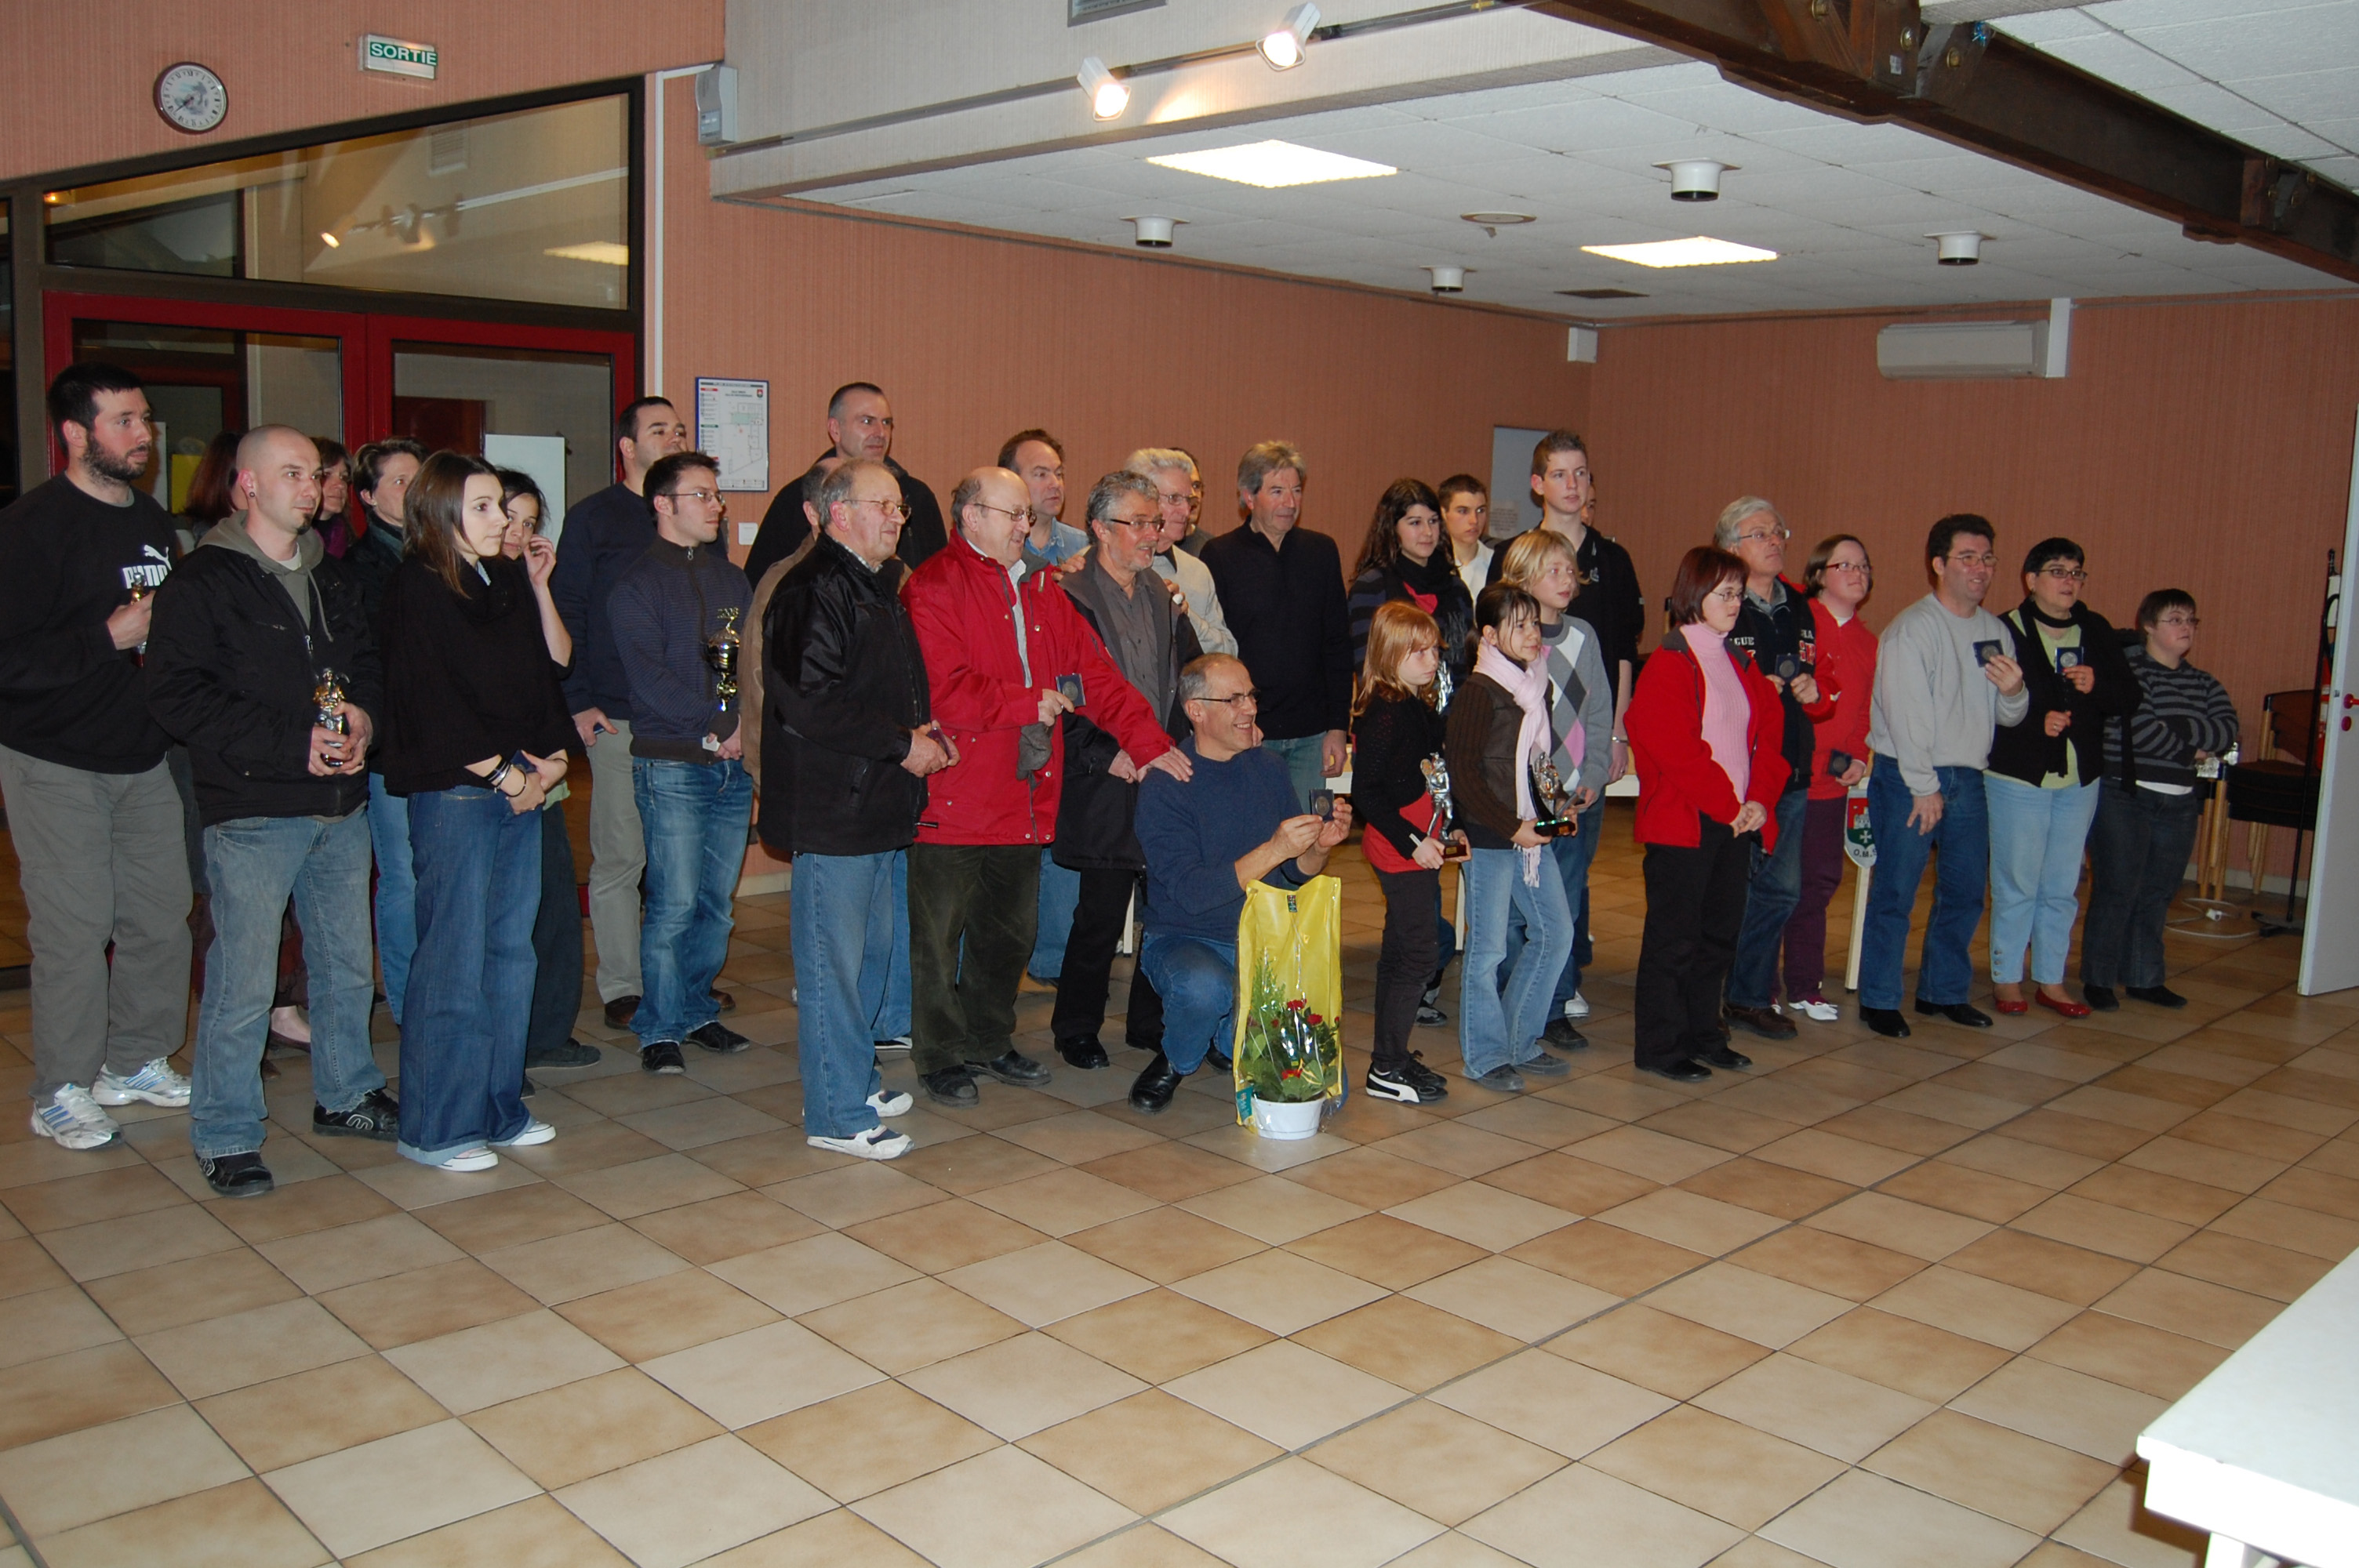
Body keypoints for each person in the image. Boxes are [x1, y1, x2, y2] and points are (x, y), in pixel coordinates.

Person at [147, 426, 397, 1196]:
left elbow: (367, 668)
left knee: (346, 968)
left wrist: (363, 720)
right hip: (254, 809)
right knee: (244, 982)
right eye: (291, 473)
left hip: (340, 805)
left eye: (315, 473)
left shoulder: (331, 577)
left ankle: (347, 1094)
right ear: (247, 484)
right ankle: (225, 1133)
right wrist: (294, 744)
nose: (310, 487)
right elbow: (176, 696)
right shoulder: (204, 580)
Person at [902, 465, 1187, 1109]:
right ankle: (940, 1055)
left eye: (1027, 515)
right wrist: (1027, 702)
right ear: (971, 517)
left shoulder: (1039, 587)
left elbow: (1097, 676)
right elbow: (944, 689)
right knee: (939, 939)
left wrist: (1151, 746)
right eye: (1013, 514)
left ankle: (988, 1038)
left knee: (1008, 933)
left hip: (1022, 792)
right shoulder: (934, 585)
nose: (1025, 525)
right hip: (954, 788)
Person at [0, 363, 191, 1152]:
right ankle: (61, 1089)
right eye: (124, 422)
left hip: (142, 756)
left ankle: (134, 1060)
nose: (143, 435)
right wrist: (107, 638)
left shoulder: (151, 519)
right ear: (74, 433)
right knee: (76, 929)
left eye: (144, 418)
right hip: (55, 759)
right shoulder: (30, 527)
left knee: (160, 915)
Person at [379, 452, 572, 1171]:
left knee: (509, 955)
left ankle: (498, 1107)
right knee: (453, 960)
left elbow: (538, 680)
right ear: (440, 513)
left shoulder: (505, 579)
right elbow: (428, 698)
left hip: (520, 780)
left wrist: (553, 759)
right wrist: (502, 773)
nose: (503, 521)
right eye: (485, 507)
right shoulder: (418, 586)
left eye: (503, 507)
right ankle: (437, 1127)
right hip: (459, 790)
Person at [764, 459, 942, 1158]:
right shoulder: (811, 589)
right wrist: (902, 744)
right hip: (832, 810)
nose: (898, 519)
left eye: (901, 507)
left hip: (875, 804)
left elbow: (878, 686)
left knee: (870, 956)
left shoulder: (875, 583)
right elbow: (809, 704)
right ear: (839, 513)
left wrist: (920, 731)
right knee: (831, 968)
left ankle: (855, 1080)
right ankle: (836, 1115)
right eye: (884, 506)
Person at [1131, 654, 1352, 1112]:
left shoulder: (1268, 768)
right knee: (1205, 989)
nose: (1249, 708)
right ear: (1196, 711)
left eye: (1251, 696)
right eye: (1233, 699)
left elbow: (1294, 874)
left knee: (1325, 1091)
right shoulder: (1166, 784)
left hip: (1264, 939)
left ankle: (1225, 1035)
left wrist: (1318, 847)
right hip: (1187, 937)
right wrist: (1274, 848)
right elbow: (1193, 894)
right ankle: (1176, 1059)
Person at [606, 452, 756, 1074]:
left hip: (732, 765)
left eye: (717, 495)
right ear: (663, 505)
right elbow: (650, 681)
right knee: (672, 903)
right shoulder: (635, 585)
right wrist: (719, 726)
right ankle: (660, 1026)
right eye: (701, 495)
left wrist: (744, 724)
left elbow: (748, 666)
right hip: (672, 763)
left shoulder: (732, 581)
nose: (715, 506)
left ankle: (696, 1011)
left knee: (715, 903)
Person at [549, 396, 692, 1033]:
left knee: (680, 862)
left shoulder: (690, 515)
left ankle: (679, 978)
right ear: (628, 448)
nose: (674, 438)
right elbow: (569, 611)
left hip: (685, 720)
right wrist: (578, 700)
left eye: (680, 430)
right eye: (660, 430)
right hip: (618, 716)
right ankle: (624, 985)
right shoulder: (594, 519)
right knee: (621, 857)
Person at [1049, 470, 1201, 1070]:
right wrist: (1105, 754)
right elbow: (1061, 695)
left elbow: (1188, 677)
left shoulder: (1164, 595)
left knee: (1164, 906)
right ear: (1099, 528)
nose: (1151, 535)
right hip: (1104, 774)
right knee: (1101, 912)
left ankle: (1148, 1021)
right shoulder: (1067, 596)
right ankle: (1076, 1027)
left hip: (1161, 770)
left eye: (1154, 522)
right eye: (1136, 523)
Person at [1858, 514, 2029, 1040]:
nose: (1981, 569)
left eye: (1988, 558)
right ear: (1938, 564)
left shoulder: (1995, 631)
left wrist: (2014, 692)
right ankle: (1879, 999)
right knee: (1896, 891)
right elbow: (1907, 717)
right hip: (1910, 776)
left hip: (1969, 777)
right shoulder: (1912, 629)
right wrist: (1923, 786)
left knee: (1965, 891)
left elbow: (2008, 716)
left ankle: (1943, 991)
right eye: (1968, 558)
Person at [1626, 547, 1790, 1082]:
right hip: (1687, 823)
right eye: (1724, 594)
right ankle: (1661, 1046)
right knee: (1674, 941)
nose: (1735, 603)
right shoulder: (1670, 662)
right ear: (1694, 595)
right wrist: (1730, 806)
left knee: (1718, 937)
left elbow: (1770, 736)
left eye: (1739, 594)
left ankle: (1704, 1034)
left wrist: (1758, 801)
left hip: (1734, 820)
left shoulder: (1740, 661)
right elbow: (1677, 750)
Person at [1986, 538, 2137, 1018]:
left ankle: (2051, 979)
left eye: (2076, 573)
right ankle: (2007, 978)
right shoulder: (2004, 629)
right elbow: (1982, 706)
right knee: (2018, 882)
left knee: (2061, 884)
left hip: (2079, 777)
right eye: (2058, 571)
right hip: (2019, 776)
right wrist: (2037, 722)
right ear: (2031, 580)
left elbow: (2128, 698)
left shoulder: (2095, 629)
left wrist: (2098, 685)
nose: (2069, 581)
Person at [1445, 583, 1576, 1094]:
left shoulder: (1535, 686)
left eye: (1534, 623)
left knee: (1556, 932)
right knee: (1488, 950)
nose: (1532, 634)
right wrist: (1511, 826)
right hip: (1491, 836)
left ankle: (1521, 1040)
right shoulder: (1479, 692)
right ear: (1491, 635)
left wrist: (1557, 803)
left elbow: (1536, 763)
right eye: (1518, 625)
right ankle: (1485, 1056)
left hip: (1527, 834)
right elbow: (1465, 776)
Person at [2082, 590, 2237, 1011]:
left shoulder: (2204, 682)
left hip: (2181, 801)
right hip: (2125, 795)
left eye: (2191, 620)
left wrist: (2182, 730)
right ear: (2148, 626)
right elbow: (2139, 729)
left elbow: (2225, 730)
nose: (2186, 628)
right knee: (2117, 890)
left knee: (2157, 893)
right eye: (2175, 619)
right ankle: (2098, 979)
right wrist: (2191, 747)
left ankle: (2143, 977)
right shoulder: (2127, 673)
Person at [1716, 498, 1835, 1041]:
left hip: (1789, 766)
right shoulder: (1719, 602)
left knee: (1781, 891)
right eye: (1759, 533)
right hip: (1735, 771)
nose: (1774, 541)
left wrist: (1814, 691)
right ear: (1730, 546)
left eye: (1778, 531)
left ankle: (1749, 996)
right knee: (1728, 890)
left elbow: (1823, 681)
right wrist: (1748, 691)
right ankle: (1710, 993)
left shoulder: (1802, 606)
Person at [496, 470, 599, 1077]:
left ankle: (548, 1032)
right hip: (491, 774)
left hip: (543, 770)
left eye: (530, 522)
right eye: (507, 515)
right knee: (504, 922)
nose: (517, 531)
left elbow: (561, 659)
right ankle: (504, 1053)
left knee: (555, 905)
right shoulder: (463, 585)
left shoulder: (524, 583)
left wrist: (539, 585)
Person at [1496, 528, 1613, 1047]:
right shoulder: (1508, 639)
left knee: (1564, 904)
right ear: (1523, 579)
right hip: (1520, 801)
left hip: (1572, 798)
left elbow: (1599, 710)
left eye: (1571, 570)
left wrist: (1592, 778)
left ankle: (1554, 1006)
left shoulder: (1583, 636)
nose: (1567, 580)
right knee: (1513, 912)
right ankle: (1509, 1002)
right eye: (1554, 571)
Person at [1489, 432, 1642, 794]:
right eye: (1560, 475)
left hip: (1591, 730)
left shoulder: (1614, 560)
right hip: (1524, 730)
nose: (1573, 485)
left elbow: (1624, 653)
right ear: (1538, 484)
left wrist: (1617, 734)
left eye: (1581, 473)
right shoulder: (1511, 555)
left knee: (1583, 822)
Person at [1201, 441, 1351, 808]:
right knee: (1252, 832)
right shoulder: (1220, 556)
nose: (1290, 502)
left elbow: (1337, 644)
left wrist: (1338, 727)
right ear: (1248, 497)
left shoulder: (1322, 552)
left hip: (1313, 734)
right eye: (1277, 491)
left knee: (1311, 832)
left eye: (1296, 490)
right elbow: (1215, 654)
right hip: (1247, 729)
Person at [1350, 601, 1456, 1104]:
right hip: (1402, 849)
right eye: (1419, 652)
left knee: (1400, 952)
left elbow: (1436, 772)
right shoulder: (1385, 714)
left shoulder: (1415, 705)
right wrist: (1415, 843)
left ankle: (1389, 1055)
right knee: (1418, 954)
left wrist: (1450, 828)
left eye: (1434, 650)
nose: (1432, 660)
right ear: (1391, 655)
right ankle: (1387, 1067)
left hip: (1420, 843)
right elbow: (1367, 794)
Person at [346, 436, 427, 1027]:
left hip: (446, 746)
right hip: (393, 749)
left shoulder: (442, 553)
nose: (412, 489)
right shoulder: (358, 570)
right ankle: (408, 1003)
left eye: (418, 478)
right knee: (403, 878)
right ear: (369, 497)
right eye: (398, 481)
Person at [1002, 430, 1089, 987]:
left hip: (1073, 716)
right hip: (1016, 713)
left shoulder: (1084, 544)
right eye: (1040, 472)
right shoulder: (1001, 548)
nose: (1054, 482)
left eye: (1058, 471)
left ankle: (1054, 961)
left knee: (1064, 842)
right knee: (1012, 851)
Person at [1781, 534, 1876, 1022]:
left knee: (1818, 883)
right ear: (1819, 575)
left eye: (1863, 566)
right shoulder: (1798, 624)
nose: (1858, 574)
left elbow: (1864, 712)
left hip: (1829, 782)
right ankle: (1753, 983)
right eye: (1845, 565)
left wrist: (1858, 754)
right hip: (1785, 778)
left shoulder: (1868, 643)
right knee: (1775, 883)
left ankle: (1804, 983)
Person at [743, 381, 948, 580]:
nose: (880, 433)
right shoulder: (798, 498)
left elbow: (939, 580)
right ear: (835, 429)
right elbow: (761, 582)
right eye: (867, 422)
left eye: (886, 423)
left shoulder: (916, 496)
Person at [1347, 477, 1474, 695]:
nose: (1428, 532)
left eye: (1433, 521)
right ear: (1392, 528)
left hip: (1455, 712)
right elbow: (1367, 671)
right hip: (1395, 710)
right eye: (1415, 523)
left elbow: (1468, 664)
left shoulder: (1456, 588)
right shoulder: (1372, 587)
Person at [1128, 448, 1235, 656]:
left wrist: (1185, 615)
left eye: (1189, 500)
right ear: (1141, 499)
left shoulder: (1197, 572)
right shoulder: (1101, 561)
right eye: (1174, 499)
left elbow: (1228, 652)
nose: (1186, 511)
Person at [1001, 429, 1091, 575]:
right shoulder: (996, 544)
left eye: (1059, 474)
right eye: (1041, 474)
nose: (1055, 484)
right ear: (1012, 481)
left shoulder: (1083, 547)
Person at [1441, 474, 1492, 606]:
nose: (1474, 520)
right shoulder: (1431, 564)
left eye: (1480, 511)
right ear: (1443, 513)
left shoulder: (1498, 563)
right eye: (1463, 511)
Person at [311, 437, 356, 558]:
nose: (340, 485)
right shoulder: (293, 541)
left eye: (344, 477)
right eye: (326, 475)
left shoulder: (351, 544)